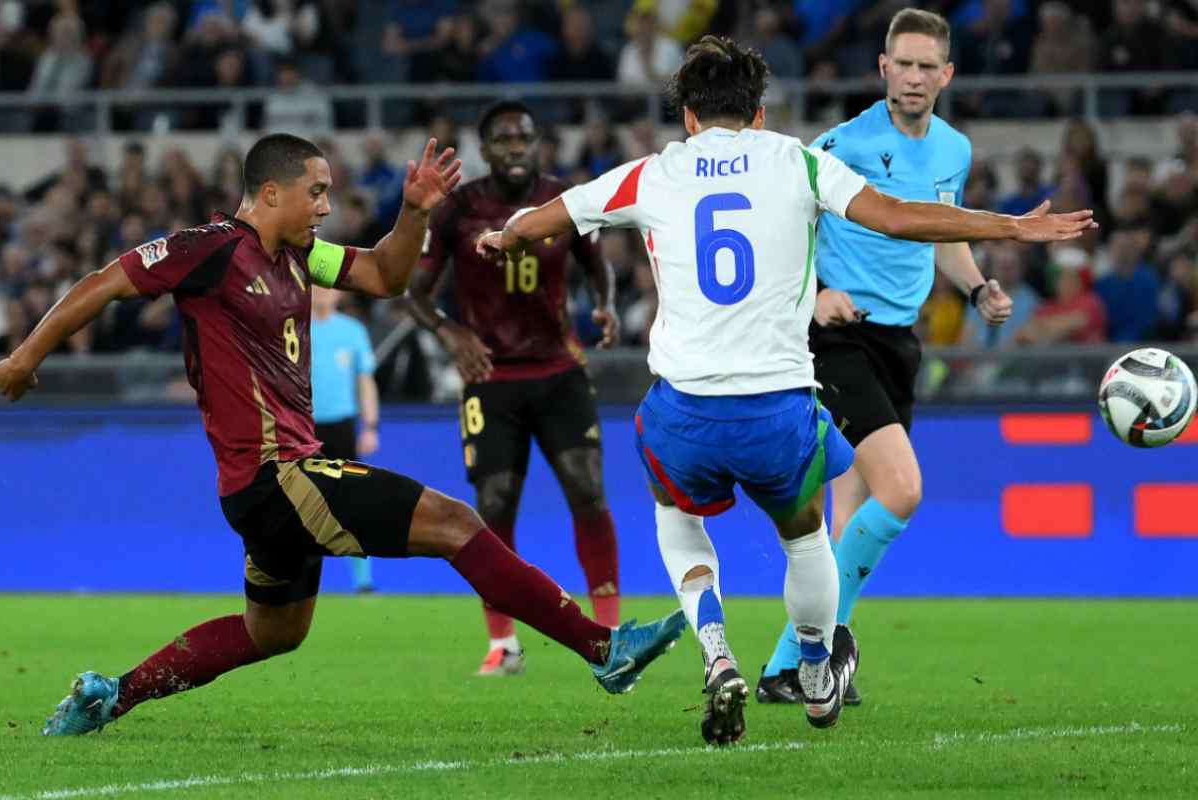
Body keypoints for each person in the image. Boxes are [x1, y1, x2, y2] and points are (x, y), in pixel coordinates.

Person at [477, 35, 1094, 745]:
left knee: (675, 517)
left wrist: (503, 238)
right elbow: (896, 218)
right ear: (760, 114)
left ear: (686, 116)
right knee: (805, 537)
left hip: (685, 407)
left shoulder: (652, 174)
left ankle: (715, 648)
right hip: (779, 406)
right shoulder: (797, 161)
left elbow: (541, 221)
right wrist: (1012, 227)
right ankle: (812, 667)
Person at [0, 133, 686, 737]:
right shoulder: (205, 250)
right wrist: (26, 357)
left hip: (267, 487)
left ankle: (111, 696)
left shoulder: (303, 257)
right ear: (271, 193)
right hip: (276, 475)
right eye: (316, 192)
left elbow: (387, 275)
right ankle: (603, 650)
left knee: (275, 632)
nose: (327, 205)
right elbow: (104, 282)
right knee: (454, 522)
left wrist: (415, 211)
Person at [756, 8, 1017, 710]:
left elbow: (941, 228)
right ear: (882, 68)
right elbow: (781, 227)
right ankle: (814, 652)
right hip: (841, 339)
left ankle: (792, 666)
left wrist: (977, 287)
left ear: (947, 74)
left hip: (900, 341)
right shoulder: (841, 145)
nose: (914, 77)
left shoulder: (953, 150)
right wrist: (815, 294)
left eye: (927, 65)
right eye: (902, 63)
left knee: (855, 508)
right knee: (902, 490)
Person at [406, 100, 623, 677]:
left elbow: (596, 260)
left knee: (588, 489)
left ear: (537, 142)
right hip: (489, 376)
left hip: (558, 370)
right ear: (485, 148)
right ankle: (503, 643)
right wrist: (450, 333)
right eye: (503, 140)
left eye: (524, 138)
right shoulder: (458, 209)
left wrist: (602, 304)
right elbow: (414, 291)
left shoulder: (564, 200)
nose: (515, 148)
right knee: (495, 503)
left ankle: (610, 630)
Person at [310, 284, 380, 593]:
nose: (323, 293)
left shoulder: (352, 332)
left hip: (342, 429)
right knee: (304, 505)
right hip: (301, 429)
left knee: (351, 502)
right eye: (316, 286)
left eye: (328, 287)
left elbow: (365, 382)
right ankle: (301, 579)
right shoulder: (292, 330)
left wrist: (370, 426)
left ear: (339, 294)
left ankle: (363, 581)